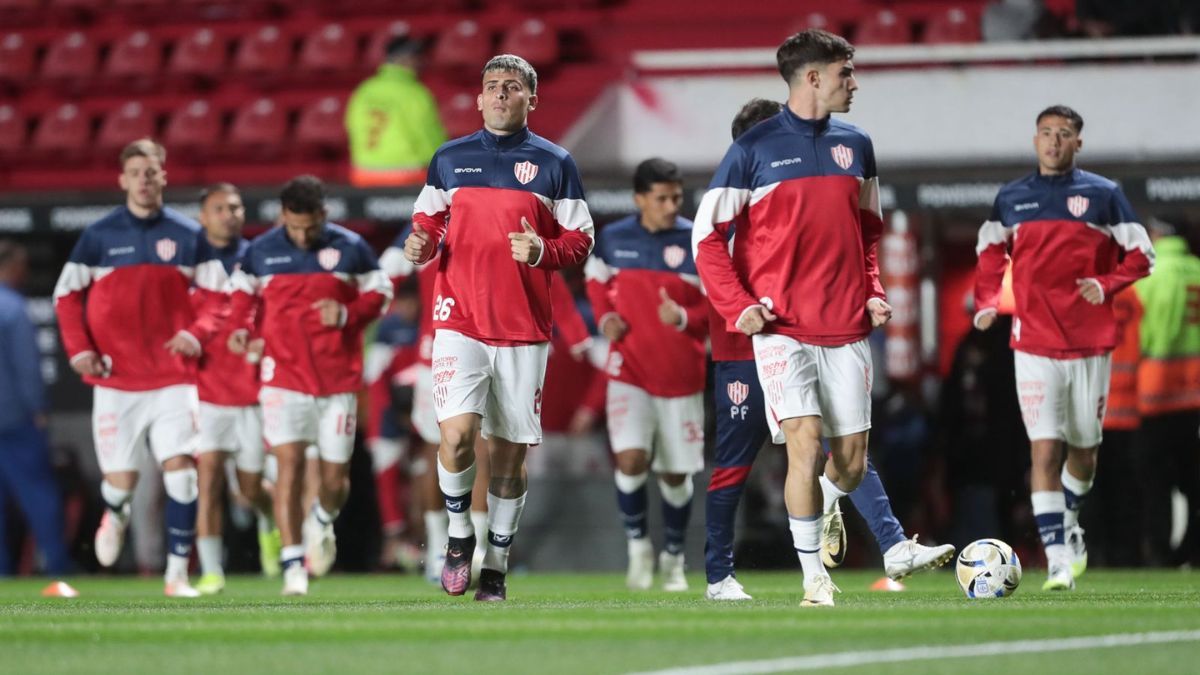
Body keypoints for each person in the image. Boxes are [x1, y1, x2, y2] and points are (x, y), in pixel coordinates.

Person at [700, 99, 954, 601]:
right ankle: (721, 575)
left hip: (813, 331)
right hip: (741, 351)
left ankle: (882, 537)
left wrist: (868, 290)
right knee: (739, 462)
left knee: (845, 448)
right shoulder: (731, 204)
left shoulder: (801, 200)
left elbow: (854, 241)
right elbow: (709, 272)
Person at [693, 30, 892, 607]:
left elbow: (870, 232)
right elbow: (707, 237)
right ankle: (815, 580)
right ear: (812, 78)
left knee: (850, 462)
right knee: (803, 443)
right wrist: (741, 307)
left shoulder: (858, 145)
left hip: (847, 328)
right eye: (844, 73)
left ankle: (826, 502)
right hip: (782, 331)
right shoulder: (752, 149)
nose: (853, 83)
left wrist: (873, 290)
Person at [402, 53, 594, 601]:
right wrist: (420, 242)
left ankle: (498, 563)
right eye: (493, 86)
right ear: (479, 98)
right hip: (458, 321)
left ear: (532, 99)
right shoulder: (449, 158)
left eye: (513, 87)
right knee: (457, 436)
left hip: (524, 329)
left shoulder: (556, 163)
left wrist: (542, 249)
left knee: (509, 457)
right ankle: (460, 534)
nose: (502, 94)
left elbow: (581, 240)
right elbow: (428, 222)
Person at [974, 105, 1154, 590]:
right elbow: (990, 253)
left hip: (1091, 344)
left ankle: (1070, 519)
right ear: (1035, 140)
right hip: (1032, 342)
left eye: (1064, 134)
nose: (1054, 141)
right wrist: (988, 302)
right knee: (1044, 449)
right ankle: (1056, 560)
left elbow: (1143, 255)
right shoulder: (1012, 198)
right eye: (1046, 133)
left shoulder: (1104, 195)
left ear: (1078, 143)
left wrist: (1107, 281)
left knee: (1085, 455)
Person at [53, 139, 205, 597]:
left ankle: (176, 575)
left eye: (151, 171)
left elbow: (220, 296)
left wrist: (198, 333)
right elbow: (64, 297)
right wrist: (80, 349)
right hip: (117, 380)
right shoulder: (98, 236)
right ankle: (114, 512)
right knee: (121, 483)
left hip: (173, 376)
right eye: (135, 171)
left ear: (163, 177)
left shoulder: (187, 235)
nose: (143, 179)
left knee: (182, 471)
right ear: (122, 180)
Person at [227, 176, 392, 596]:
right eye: (294, 227)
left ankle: (321, 521)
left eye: (310, 227)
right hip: (283, 380)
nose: (302, 236)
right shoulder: (260, 251)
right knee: (289, 468)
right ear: (283, 216)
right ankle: (293, 566)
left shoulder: (351, 248)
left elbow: (381, 293)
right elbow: (240, 300)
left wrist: (349, 312)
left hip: (338, 382)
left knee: (335, 482)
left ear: (324, 215)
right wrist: (242, 329)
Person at [584, 158, 708, 592]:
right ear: (640, 199)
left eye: (677, 196)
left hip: (681, 375)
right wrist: (604, 320)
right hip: (629, 369)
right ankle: (638, 547)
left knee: (675, 476)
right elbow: (595, 281)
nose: (672, 205)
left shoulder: (698, 240)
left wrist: (684, 318)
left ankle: (673, 557)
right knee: (631, 459)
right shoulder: (614, 240)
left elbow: (719, 309)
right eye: (662, 198)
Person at [188, 184, 280, 594]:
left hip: (253, 392)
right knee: (206, 480)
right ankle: (211, 571)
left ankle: (269, 518)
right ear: (203, 217)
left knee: (249, 488)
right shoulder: (188, 265)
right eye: (219, 208)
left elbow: (281, 314)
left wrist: (266, 342)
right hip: (205, 393)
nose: (229, 213)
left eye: (235, 207)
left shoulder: (261, 257)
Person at [0, 240, 71, 578]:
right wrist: (38, 408)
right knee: (39, 495)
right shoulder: (12, 308)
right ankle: (56, 565)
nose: (25, 271)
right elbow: (27, 366)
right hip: (15, 419)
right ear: (9, 267)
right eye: (21, 264)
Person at [1132, 218, 1200, 565]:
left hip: (1157, 393)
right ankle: (1192, 550)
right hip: (1195, 395)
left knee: (1154, 480)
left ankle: (1159, 552)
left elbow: (1147, 334)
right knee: (1193, 480)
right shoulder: (1196, 270)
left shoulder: (1154, 275)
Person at [345, 32, 447, 187]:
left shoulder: (364, 90)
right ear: (405, 59)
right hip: (406, 176)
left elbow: (351, 127)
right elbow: (428, 136)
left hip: (363, 174)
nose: (420, 61)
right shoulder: (415, 92)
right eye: (417, 56)